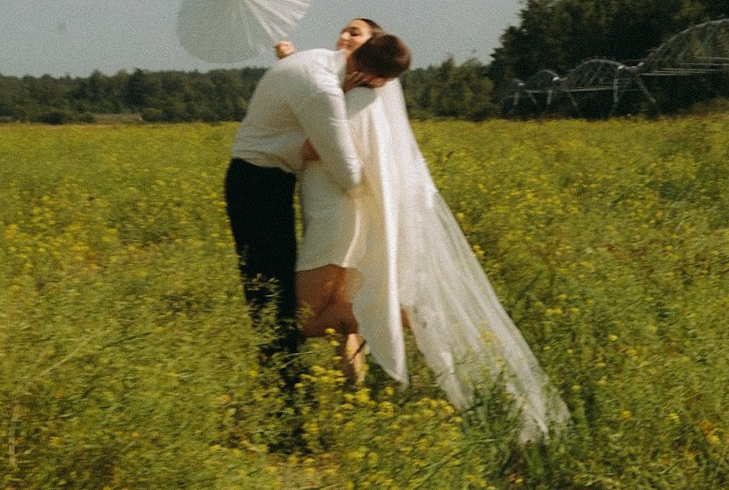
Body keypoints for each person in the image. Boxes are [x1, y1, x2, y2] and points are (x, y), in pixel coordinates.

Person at [295, 36, 568, 442]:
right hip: (340, 222)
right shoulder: (370, 104)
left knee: (301, 321)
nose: (345, 40)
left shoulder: (354, 104)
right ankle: (367, 372)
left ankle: (405, 316)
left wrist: (324, 103)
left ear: (367, 67)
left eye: (356, 35)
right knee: (335, 317)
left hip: (333, 224)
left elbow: (311, 150)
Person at [223, 26, 406, 385]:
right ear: (371, 76)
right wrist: (317, 142)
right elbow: (350, 174)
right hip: (259, 185)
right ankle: (286, 390)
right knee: (272, 299)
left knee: (278, 303)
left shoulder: (318, 63)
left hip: (261, 181)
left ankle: (287, 390)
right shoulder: (324, 91)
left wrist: (319, 135)